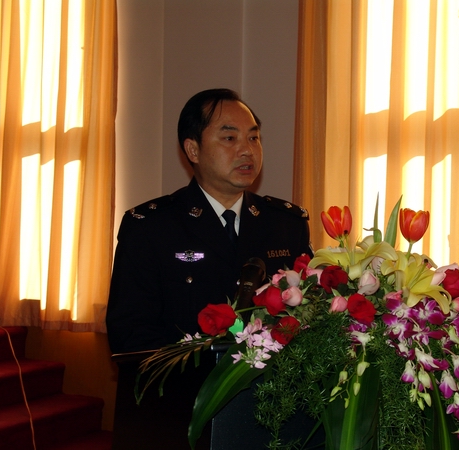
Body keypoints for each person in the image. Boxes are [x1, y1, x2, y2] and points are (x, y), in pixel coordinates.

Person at [105, 89, 314, 449]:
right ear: (192, 150)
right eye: (230, 138)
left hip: (272, 415)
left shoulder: (285, 225)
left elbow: (310, 317)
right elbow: (131, 335)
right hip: (180, 418)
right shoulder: (151, 227)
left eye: (254, 138)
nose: (247, 150)